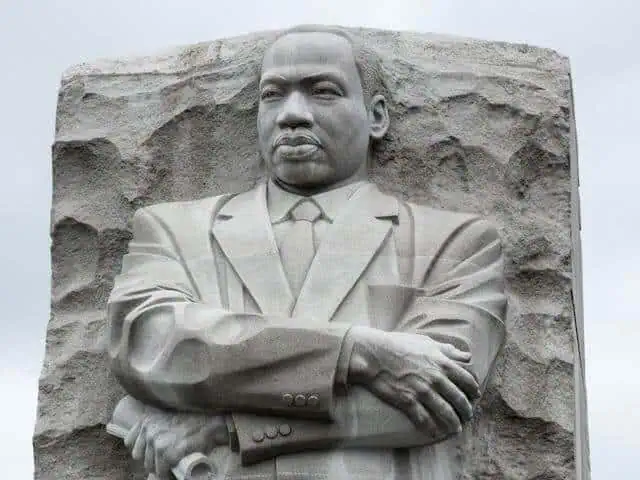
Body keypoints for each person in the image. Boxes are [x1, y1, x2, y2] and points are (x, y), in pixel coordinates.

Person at [107, 25, 507, 480]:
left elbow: (439, 400)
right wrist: (358, 352)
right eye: (273, 95)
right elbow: (152, 346)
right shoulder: (174, 230)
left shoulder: (456, 242)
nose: (292, 114)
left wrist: (224, 428)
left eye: (323, 91)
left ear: (376, 116)